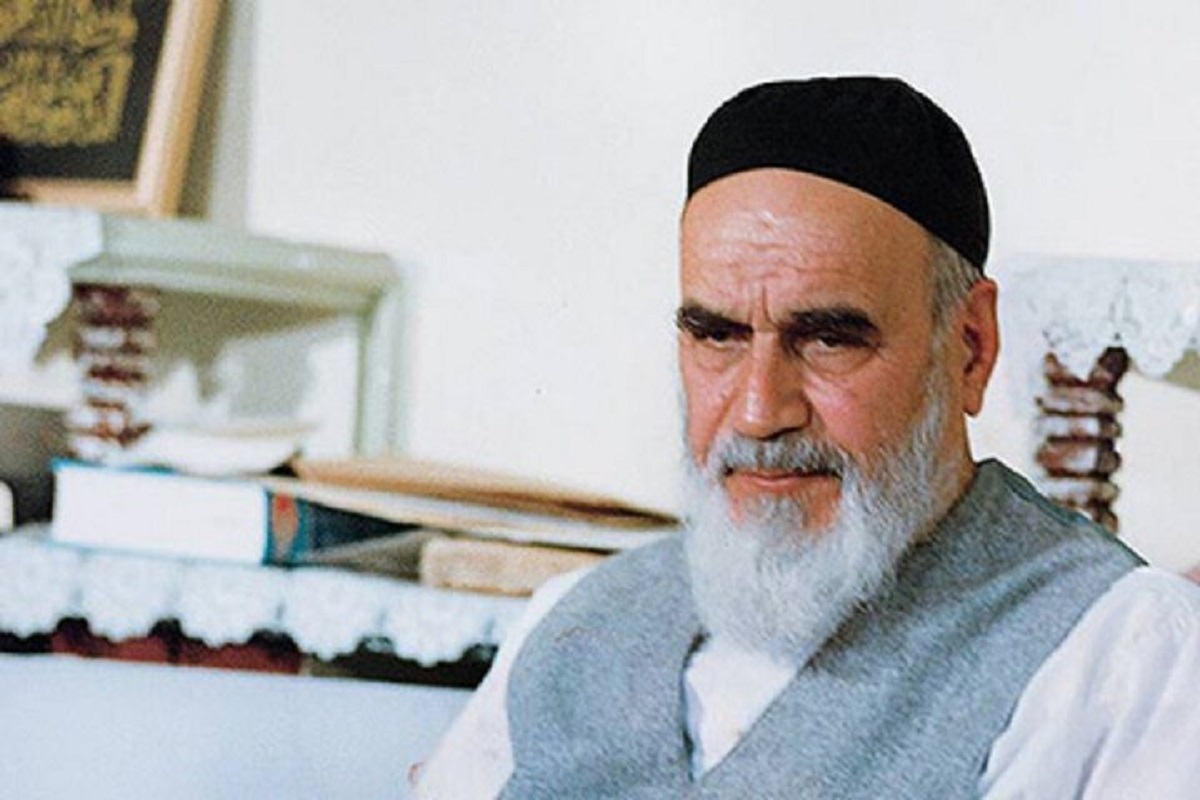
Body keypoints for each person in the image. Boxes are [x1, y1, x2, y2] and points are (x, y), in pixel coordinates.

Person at [412, 77, 1200, 798]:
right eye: (717, 336)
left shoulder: (1126, 655)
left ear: (970, 347)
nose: (759, 412)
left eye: (828, 339)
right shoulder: (573, 623)